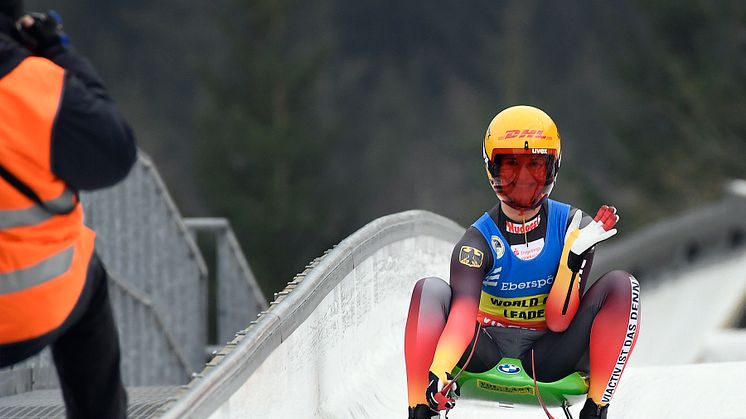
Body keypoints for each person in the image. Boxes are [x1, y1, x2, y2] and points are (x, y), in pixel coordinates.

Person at [404, 105, 640, 419]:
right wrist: (440, 370)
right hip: (485, 350)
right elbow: (462, 316)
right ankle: (421, 408)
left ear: (553, 168)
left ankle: (597, 410)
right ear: (492, 171)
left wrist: (572, 258)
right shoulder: (476, 242)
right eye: (510, 169)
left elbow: (559, 320)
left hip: (547, 355)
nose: (524, 182)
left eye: (535, 167)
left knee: (623, 286)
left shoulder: (575, 228)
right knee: (429, 289)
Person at [0, 1, 135, 417]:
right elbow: (115, 153)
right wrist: (57, 50)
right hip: (26, 310)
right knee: (86, 268)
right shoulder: (38, 86)